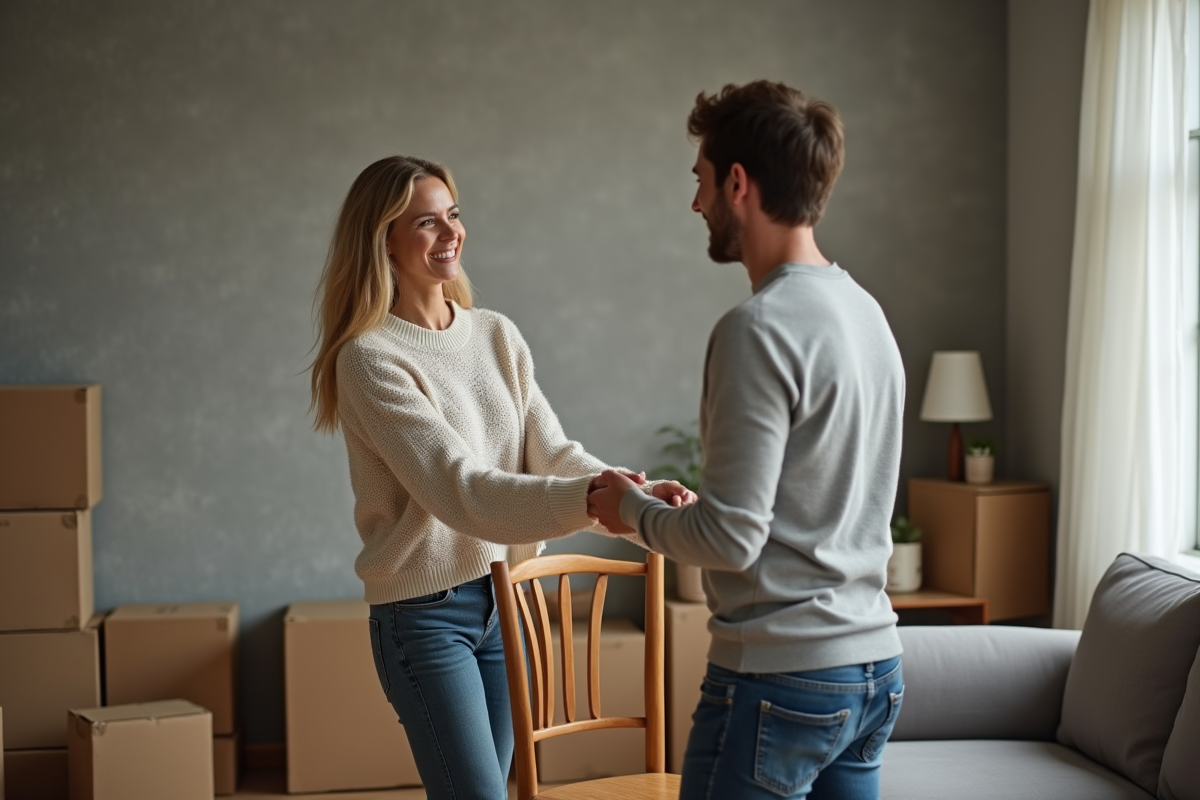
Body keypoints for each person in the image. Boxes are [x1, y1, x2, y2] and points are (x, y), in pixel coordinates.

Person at [307, 155, 694, 800]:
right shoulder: (370, 358)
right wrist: (602, 502)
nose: (450, 232)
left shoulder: (496, 336)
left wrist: (634, 493)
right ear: (384, 242)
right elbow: (462, 491)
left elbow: (551, 451)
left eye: (453, 214)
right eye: (426, 223)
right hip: (426, 617)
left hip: (507, 599)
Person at [587, 81, 906, 800]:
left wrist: (630, 511)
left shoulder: (758, 329)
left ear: (738, 183)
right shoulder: (866, 313)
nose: (694, 204)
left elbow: (732, 542)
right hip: (874, 670)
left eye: (699, 182)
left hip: (780, 677)